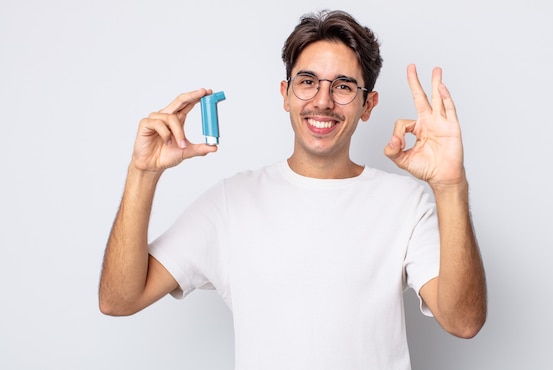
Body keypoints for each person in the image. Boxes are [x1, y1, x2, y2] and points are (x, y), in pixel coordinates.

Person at [99, 9, 487, 369]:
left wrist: (451, 186)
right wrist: (142, 172)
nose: (322, 101)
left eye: (343, 87)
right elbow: (119, 300)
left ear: (368, 105)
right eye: (307, 82)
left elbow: (464, 322)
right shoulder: (232, 201)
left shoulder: (406, 203)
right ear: (285, 94)